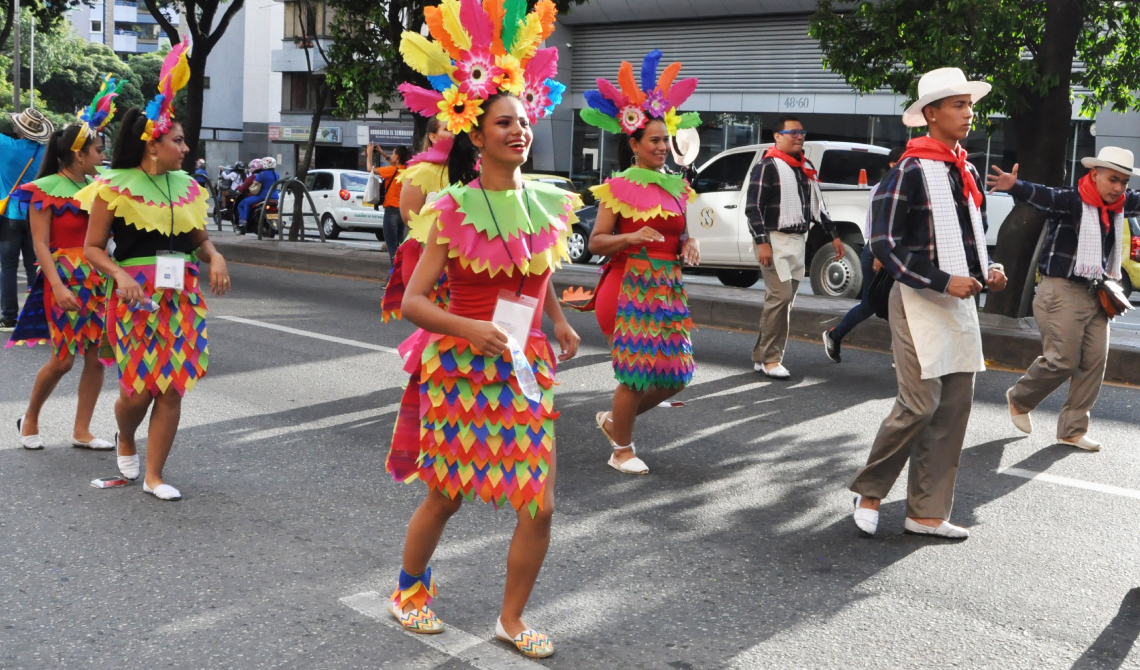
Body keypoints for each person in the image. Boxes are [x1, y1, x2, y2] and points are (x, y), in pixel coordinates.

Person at [385, 0, 576, 658]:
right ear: (476, 133)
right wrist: (473, 331)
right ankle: (408, 590)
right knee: (446, 498)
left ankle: (512, 619)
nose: (518, 130)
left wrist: (557, 321)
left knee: (540, 504)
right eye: (504, 122)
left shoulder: (551, 202)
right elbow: (414, 302)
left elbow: (537, 271)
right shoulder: (450, 208)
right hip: (464, 369)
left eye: (524, 120)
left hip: (527, 366)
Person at [849, 67, 1007, 539]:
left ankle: (926, 512)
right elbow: (884, 244)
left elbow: (970, 235)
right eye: (958, 105)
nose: (968, 113)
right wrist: (942, 280)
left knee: (955, 406)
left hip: (958, 299)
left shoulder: (966, 168)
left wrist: (988, 272)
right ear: (931, 114)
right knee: (920, 404)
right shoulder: (910, 169)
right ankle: (871, 490)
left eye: (969, 104)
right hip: (918, 297)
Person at [79, 40, 231, 502]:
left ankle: (154, 475)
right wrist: (120, 275)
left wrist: (216, 255)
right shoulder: (113, 187)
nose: (185, 148)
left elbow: (197, 239)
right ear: (152, 145)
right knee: (139, 392)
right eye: (178, 140)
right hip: (134, 297)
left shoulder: (188, 186)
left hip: (180, 295)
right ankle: (125, 434)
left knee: (171, 388)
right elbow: (91, 248)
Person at [576, 50, 700, 474]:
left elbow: (678, 230)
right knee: (636, 374)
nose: (663, 147)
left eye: (666, 140)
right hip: (626, 284)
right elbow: (596, 242)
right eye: (654, 140)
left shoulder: (677, 187)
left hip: (666, 286)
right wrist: (630, 236)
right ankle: (622, 449)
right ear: (634, 143)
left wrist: (688, 241)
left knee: (676, 375)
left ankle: (615, 421)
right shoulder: (618, 186)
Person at [987, 147, 1140, 451]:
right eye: (1113, 179)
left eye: (1123, 182)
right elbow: (1044, 195)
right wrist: (1014, 185)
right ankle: (1019, 398)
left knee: (1094, 363)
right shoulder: (1071, 199)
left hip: (1097, 292)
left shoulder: (1119, 204)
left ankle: (1071, 430)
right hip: (1061, 291)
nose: (1118, 188)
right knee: (1063, 360)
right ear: (1094, 175)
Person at [7, 79, 123, 450]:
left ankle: (82, 430)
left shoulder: (101, 187)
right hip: (64, 279)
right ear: (79, 155)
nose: (102, 156)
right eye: (98, 150)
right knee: (62, 360)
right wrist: (56, 286)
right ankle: (31, 419)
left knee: (94, 358)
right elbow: (40, 243)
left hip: (98, 279)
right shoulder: (45, 189)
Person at [746, 114, 845, 379]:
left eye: (802, 132)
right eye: (793, 133)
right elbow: (753, 208)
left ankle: (761, 356)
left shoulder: (804, 166)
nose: (799, 136)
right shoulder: (768, 166)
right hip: (773, 240)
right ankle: (770, 359)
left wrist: (834, 235)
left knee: (783, 303)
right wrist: (762, 243)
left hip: (797, 241)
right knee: (780, 299)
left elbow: (817, 206)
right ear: (777, 137)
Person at [822, 146, 905, 362]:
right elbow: (878, 224)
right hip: (879, 251)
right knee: (873, 304)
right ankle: (834, 335)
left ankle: (904, 354)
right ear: (891, 164)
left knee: (898, 306)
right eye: (901, 161)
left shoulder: (909, 186)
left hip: (899, 253)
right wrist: (880, 254)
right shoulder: (881, 188)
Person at [380, 117, 454, 323]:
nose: (455, 133)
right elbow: (410, 218)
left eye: (459, 128)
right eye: (449, 129)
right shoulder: (421, 171)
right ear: (433, 136)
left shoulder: (473, 171)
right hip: (427, 255)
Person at [0, 108, 53, 332]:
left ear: (19, 128)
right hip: (37, 215)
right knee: (35, 265)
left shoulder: (6, 147)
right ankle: (37, 315)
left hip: (11, 215)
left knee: (9, 267)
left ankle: (8, 318)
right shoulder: (45, 152)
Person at [367, 144, 410, 262]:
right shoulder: (406, 171)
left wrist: (369, 154)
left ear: (397, 157)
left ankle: (394, 276)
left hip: (391, 211)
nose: (391, 156)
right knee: (399, 246)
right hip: (403, 212)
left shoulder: (392, 171)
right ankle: (399, 274)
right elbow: (394, 164)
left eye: (393, 154)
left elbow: (370, 169)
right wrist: (382, 153)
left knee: (392, 247)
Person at [237, 157, 280, 234]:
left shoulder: (261, 174)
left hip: (263, 196)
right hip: (275, 196)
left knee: (246, 202)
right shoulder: (276, 174)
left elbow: (255, 186)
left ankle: (244, 222)